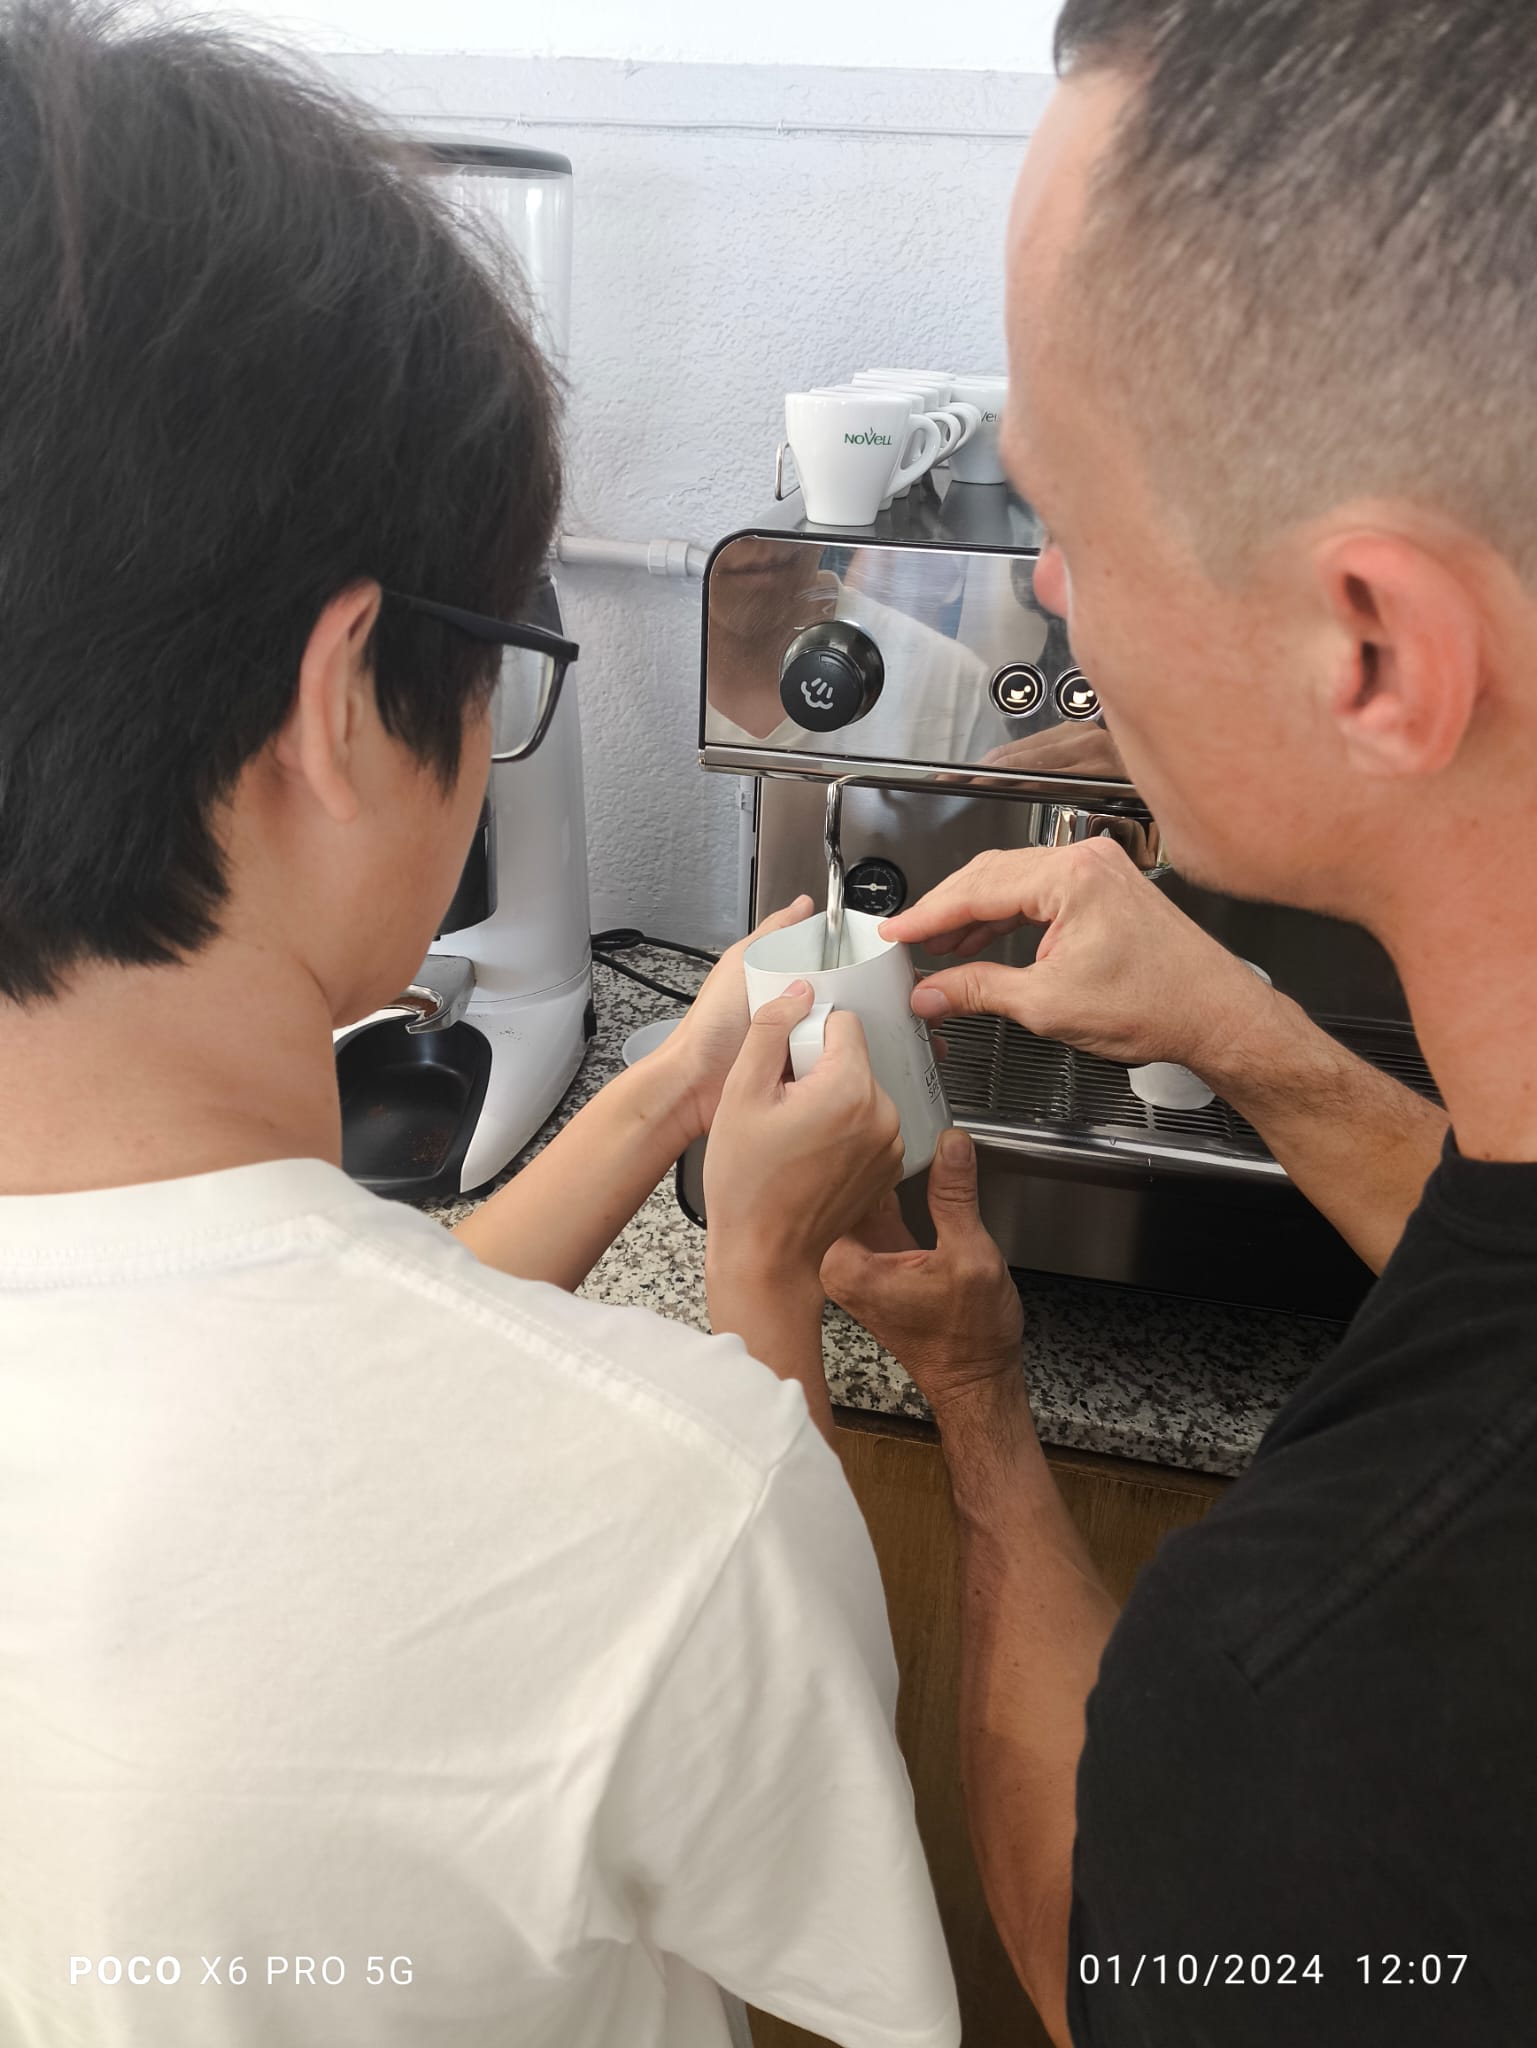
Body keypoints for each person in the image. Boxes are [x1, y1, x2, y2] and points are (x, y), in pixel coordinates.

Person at [0, 9, 960, 2047]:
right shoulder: (665, 1506)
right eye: (509, 649)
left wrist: (665, 1094)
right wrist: (759, 1284)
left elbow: (296, 1362)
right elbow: (820, 1971)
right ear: (346, 700)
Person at [820, 1, 1537, 2042]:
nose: (1048, 591)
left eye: (1071, 523)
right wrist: (1252, 1035)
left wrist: (977, 1399)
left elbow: (1091, 1939)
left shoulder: (1338, 1711)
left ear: (1370, 643)